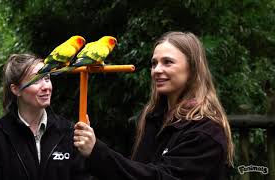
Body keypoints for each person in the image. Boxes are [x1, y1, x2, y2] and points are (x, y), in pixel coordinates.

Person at [73, 31, 234, 180]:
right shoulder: (154, 118)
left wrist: (97, 152)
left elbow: (160, 177)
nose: (157, 70)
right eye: (154, 63)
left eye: (167, 62)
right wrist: (91, 151)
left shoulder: (205, 132)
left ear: (192, 69)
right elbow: (136, 171)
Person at [0, 54, 90, 180]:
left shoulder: (69, 132)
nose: (46, 87)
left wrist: (94, 149)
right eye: (36, 80)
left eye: (47, 78)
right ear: (16, 89)